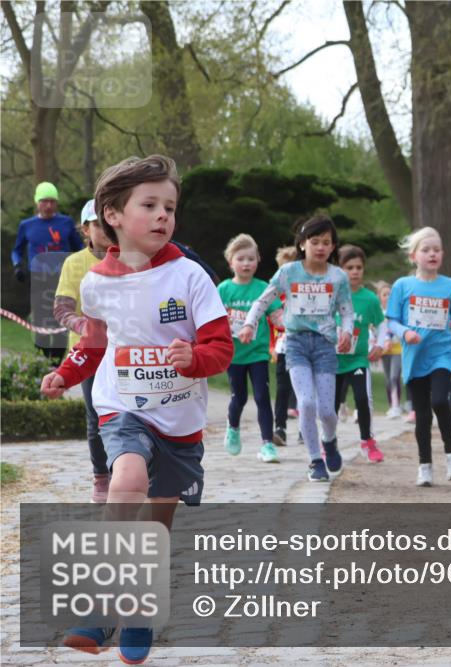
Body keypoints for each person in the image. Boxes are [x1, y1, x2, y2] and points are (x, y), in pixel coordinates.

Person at [40, 155, 233, 664]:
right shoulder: (96, 284)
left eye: (170, 206)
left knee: (155, 527)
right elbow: (96, 346)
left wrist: (194, 358)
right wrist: (66, 372)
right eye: (150, 204)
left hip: (181, 421)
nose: (164, 215)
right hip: (122, 406)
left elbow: (220, 346)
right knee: (125, 478)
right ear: (113, 214)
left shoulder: (190, 276)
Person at [238, 215, 353, 483]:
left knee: (326, 410)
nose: (321, 247)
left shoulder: (338, 277)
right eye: (315, 241)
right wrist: (248, 325)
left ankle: (330, 440)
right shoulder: (289, 272)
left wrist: (346, 331)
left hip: (325, 346)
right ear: (302, 244)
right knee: (306, 403)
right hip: (296, 343)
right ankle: (315, 460)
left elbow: (347, 311)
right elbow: (263, 300)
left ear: (334, 246)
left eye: (326, 242)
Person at [387, 227, 451, 486]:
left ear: (442, 254)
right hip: (414, 357)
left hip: (441, 354)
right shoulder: (402, 286)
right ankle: (425, 466)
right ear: (413, 256)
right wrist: (405, 332)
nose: (432, 254)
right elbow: (392, 321)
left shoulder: (450, 286)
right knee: (423, 415)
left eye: (437, 250)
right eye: (426, 250)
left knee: (440, 401)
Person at [52, 199, 113, 503]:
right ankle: (101, 477)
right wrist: (81, 324)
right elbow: (61, 308)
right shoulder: (74, 263)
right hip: (88, 352)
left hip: (123, 351)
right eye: (97, 224)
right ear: (86, 228)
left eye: (108, 222)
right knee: (95, 416)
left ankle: (129, 472)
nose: (104, 229)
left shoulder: (131, 257)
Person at [218, 233, 283, 463]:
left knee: (263, 396)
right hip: (234, 355)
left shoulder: (264, 288)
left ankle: (267, 444)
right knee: (239, 397)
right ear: (231, 262)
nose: (246, 263)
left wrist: (284, 321)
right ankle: (233, 427)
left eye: (251, 259)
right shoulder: (224, 289)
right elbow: (212, 318)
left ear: (258, 261)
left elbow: (277, 314)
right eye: (241, 259)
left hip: (257, 352)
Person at [11, 181, 85, 361]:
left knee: (60, 318)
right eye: (44, 201)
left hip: (63, 278)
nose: (49, 205)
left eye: (52, 201)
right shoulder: (27, 225)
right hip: (38, 279)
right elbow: (17, 250)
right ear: (37, 202)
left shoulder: (65, 223)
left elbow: (80, 248)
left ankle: (57, 362)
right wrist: (17, 265)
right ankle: (42, 361)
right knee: (40, 320)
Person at [335, 244, 388, 462]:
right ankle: (327, 442)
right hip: (333, 360)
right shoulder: (333, 295)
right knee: (331, 405)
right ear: (339, 269)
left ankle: (368, 441)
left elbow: (381, 324)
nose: (355, 271)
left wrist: (380, 344)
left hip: (358, 359)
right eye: (349, 267)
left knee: (362, 399)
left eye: (358, 267)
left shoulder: (370, 299)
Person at [271, 245, 298, 445]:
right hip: (283, 347)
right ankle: (280, 428)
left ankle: (305, 429)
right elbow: (270, 324)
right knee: (282, 388)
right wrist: (271, 346)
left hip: (305, 348)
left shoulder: (304, 292)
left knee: (304, 391)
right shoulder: (276, 297)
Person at [375, 280, 404, 418]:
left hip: (397, 349)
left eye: (390, 294)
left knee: (394, 376)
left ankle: (396, 405)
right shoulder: (378, 313)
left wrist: (392, 339)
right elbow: (375, 330)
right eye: (384, 294)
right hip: (383, 350)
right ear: (379, 297)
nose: (387, 296)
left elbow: (398, 328)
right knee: (388, 379)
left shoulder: (397, 312)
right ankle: (391, 406)